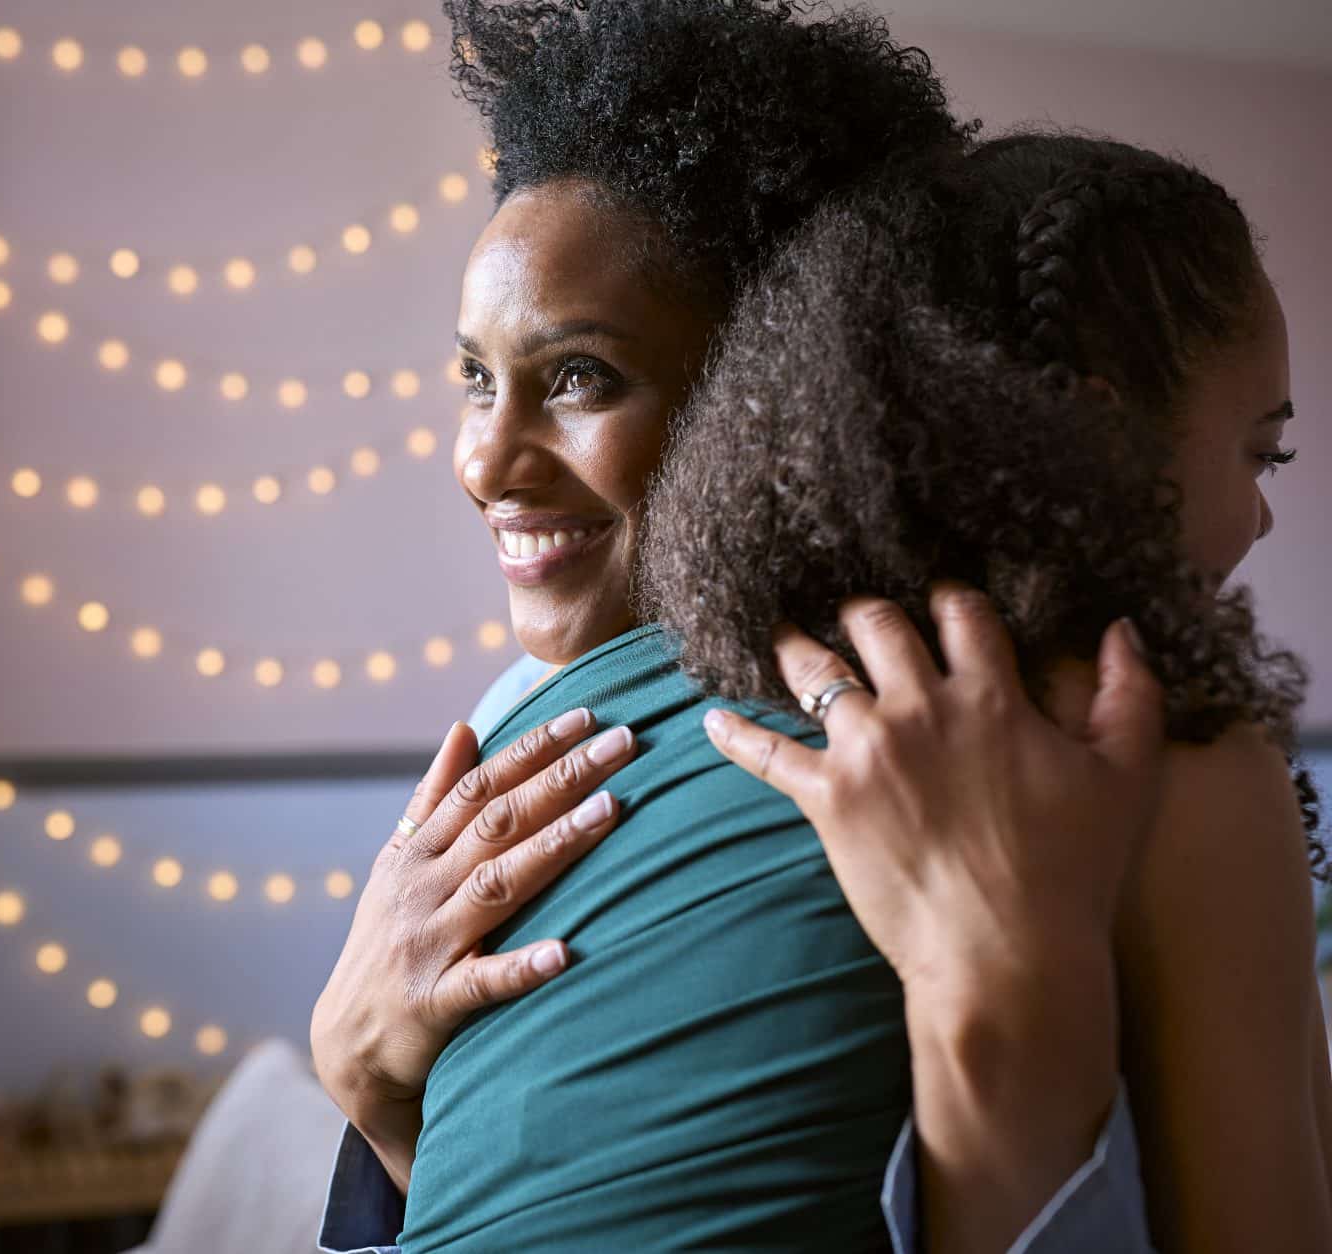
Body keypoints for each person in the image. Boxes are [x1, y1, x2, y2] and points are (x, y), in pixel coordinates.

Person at [315, 4, 1155, 1251]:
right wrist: (368, 1083)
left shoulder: (983, 715)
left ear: (769, 392)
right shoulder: (504, 744)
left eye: (577, 377)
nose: (484, 458)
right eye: (475, 378)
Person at [647, 134, 1332, 1252]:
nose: (1260, 519)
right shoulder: (1178, 761)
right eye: (1261, 455)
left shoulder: (680, 708)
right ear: (1111, 439)